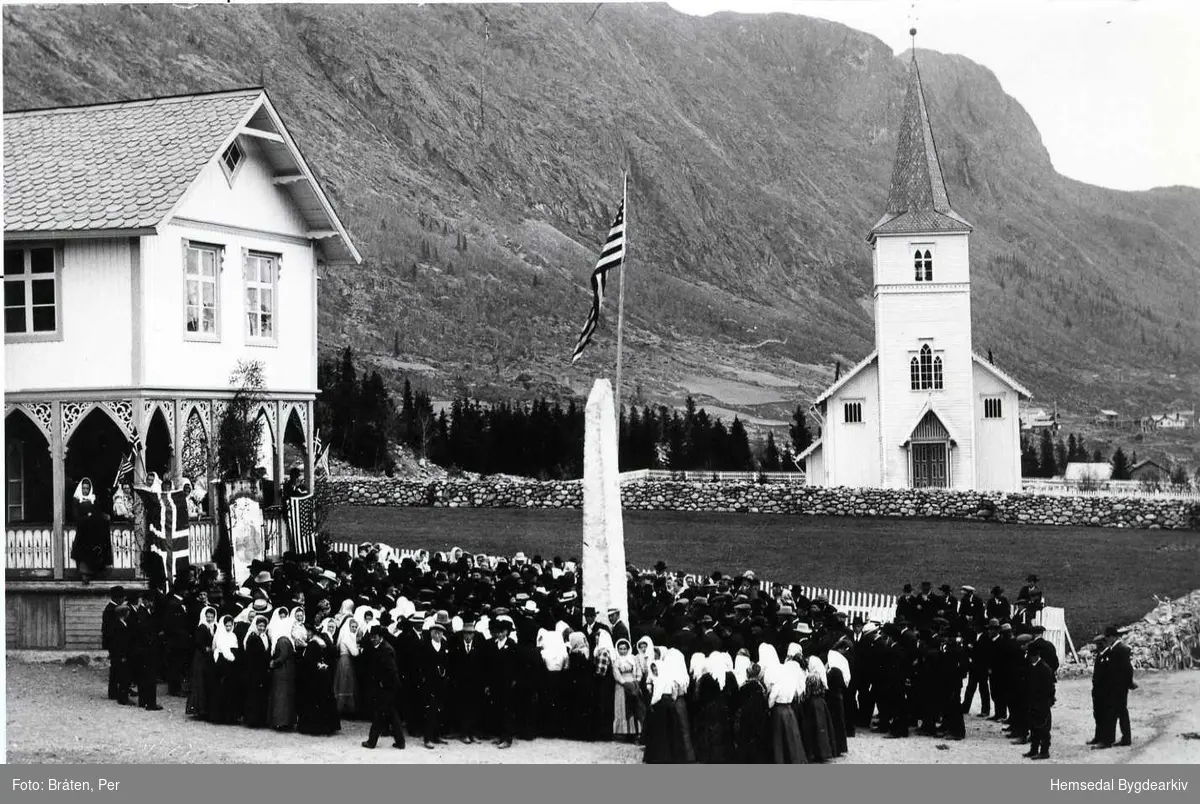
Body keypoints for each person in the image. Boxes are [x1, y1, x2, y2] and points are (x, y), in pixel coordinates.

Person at [361, 626, 406, 750]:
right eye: (371, 637)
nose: (372, 639)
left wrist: (384, 684)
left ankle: (371, 742)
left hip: (387, 688)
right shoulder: (380, 647)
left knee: (379, 715)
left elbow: (392, 672)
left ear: (380, 637)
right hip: (385, 688)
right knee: (392, 715)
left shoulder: (386, 650)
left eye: (375, 637)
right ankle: (400, 742)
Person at [1092, 625, 1135, 749]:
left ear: (1113, 637)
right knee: (1121, 712)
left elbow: (1127, 669)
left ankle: (1107, 741)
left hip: (1117, 687)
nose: (1107, 639)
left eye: (1108, 637)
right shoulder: (1116, 648)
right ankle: (1125, 738)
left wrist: (1128, 683)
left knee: (1112, 713)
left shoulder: (1120, 649)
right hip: (1117, 687)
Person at [419, 611, 452, 749]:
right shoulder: (426, 645)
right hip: (429, 683)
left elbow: (447, 663)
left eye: (440, 632)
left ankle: (437, 736)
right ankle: (428, 738)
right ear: (431, 632)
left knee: (440, 710)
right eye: (435, 632)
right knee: (430, 711)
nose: (437, 634)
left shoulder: (444, 646)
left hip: (441, 683)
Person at [70, 481, 113, 584]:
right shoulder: (77, 499)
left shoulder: (93, 499)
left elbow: (97, 511)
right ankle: (85, 574)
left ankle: (95, 572)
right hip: (83, 530)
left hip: (92, 530)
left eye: (87, 488)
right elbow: (75, 516)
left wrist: (103, 516)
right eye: (84, 488)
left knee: (95, 549)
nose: (85, 490)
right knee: (83, 551)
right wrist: (86, 517)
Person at [489, 616, 519, 749]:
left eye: (502, 632)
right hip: (496, 682)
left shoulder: (512, 644)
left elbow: (516, 664)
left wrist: (514, 679)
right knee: (498, 709)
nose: (499, 634)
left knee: (507, 710)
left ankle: (508, 739)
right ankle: (501, 736)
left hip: (508, 683)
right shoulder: (495, 644)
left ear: (506, 632)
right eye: (498, 632)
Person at [1024, 636, 1056, 760]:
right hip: (1032, 702)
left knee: (1043, 728)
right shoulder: (1031, 667)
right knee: (1033, 727)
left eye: (1031, 656)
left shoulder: (1044, 669)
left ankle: (1044, 751)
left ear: (1036, 655)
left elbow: (1050, 689)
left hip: (1042, 703)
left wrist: (1047, 702)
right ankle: (1033, 749)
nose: (1030, 658)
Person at [267, 609, 298, 731]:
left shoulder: (282, 639)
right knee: (283, 696)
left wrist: (274, 662)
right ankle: (283, 721)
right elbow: (285, 655)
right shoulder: (286, 639)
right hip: (285, 671)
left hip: (282, 671)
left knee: (281, 696)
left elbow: (282, 656)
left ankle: (281, 721)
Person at [187, 606, 217, 719]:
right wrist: (206, 649)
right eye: (208, 617)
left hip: (209, 657)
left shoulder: (214, 626)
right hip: (201, 658)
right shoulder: (202, 627)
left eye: (212, 617)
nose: (210, 618)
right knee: (200, 682)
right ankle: (199, 709)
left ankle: (206, 709)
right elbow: (198, 642)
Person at [611, 638, 644, 741]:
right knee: (622, 707)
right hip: (621, 685)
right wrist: (623, 682)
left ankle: (636, 732)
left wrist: (637, 680)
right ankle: (622, 732)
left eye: (625, 649)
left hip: (633, 682)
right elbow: (616, 673)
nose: (623, 651)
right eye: (620, 649)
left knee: (635, 706)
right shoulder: (616, 661)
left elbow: (638, 669)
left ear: (628, 649)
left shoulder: (633, 659)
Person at [242, 615, 272, 728]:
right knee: (253, 695)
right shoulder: (252, 637)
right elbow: (251, 656)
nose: (262, 628)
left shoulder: (265, 637)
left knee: (261, 695)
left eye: (263, 626)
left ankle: (261, 720)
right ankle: (252, 720)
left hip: (262, 670)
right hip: (254, 670)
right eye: (260, 626)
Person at [333, 617, 361, 717]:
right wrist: (359, 648)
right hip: (346, 661)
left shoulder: (350, 636)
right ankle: (343, 709)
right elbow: (355, 653)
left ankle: (345, 709)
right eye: (352, 627)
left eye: (356, 627)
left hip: (345, 660)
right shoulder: (347, 637)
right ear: (348, 627)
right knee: (345, 683)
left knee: (346, 683)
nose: (354, 629)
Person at [102, 586, 126, 701]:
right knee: (116, 667)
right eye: (122, 597)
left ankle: (119, 689)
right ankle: (113, 692)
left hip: (115, 643)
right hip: (114, 643)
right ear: (118, 598)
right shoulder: (111, 610)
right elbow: (110, 630)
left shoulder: (113, 608)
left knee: (118, 667)